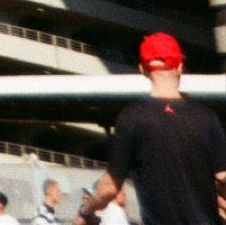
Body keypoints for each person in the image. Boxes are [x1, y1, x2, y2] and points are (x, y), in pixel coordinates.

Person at [77, 31, 226, 225]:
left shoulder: (131, 118)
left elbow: (109, 187)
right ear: (179, 67)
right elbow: (223, 177)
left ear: (143, 70)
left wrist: (85, 211)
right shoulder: (207, 118)